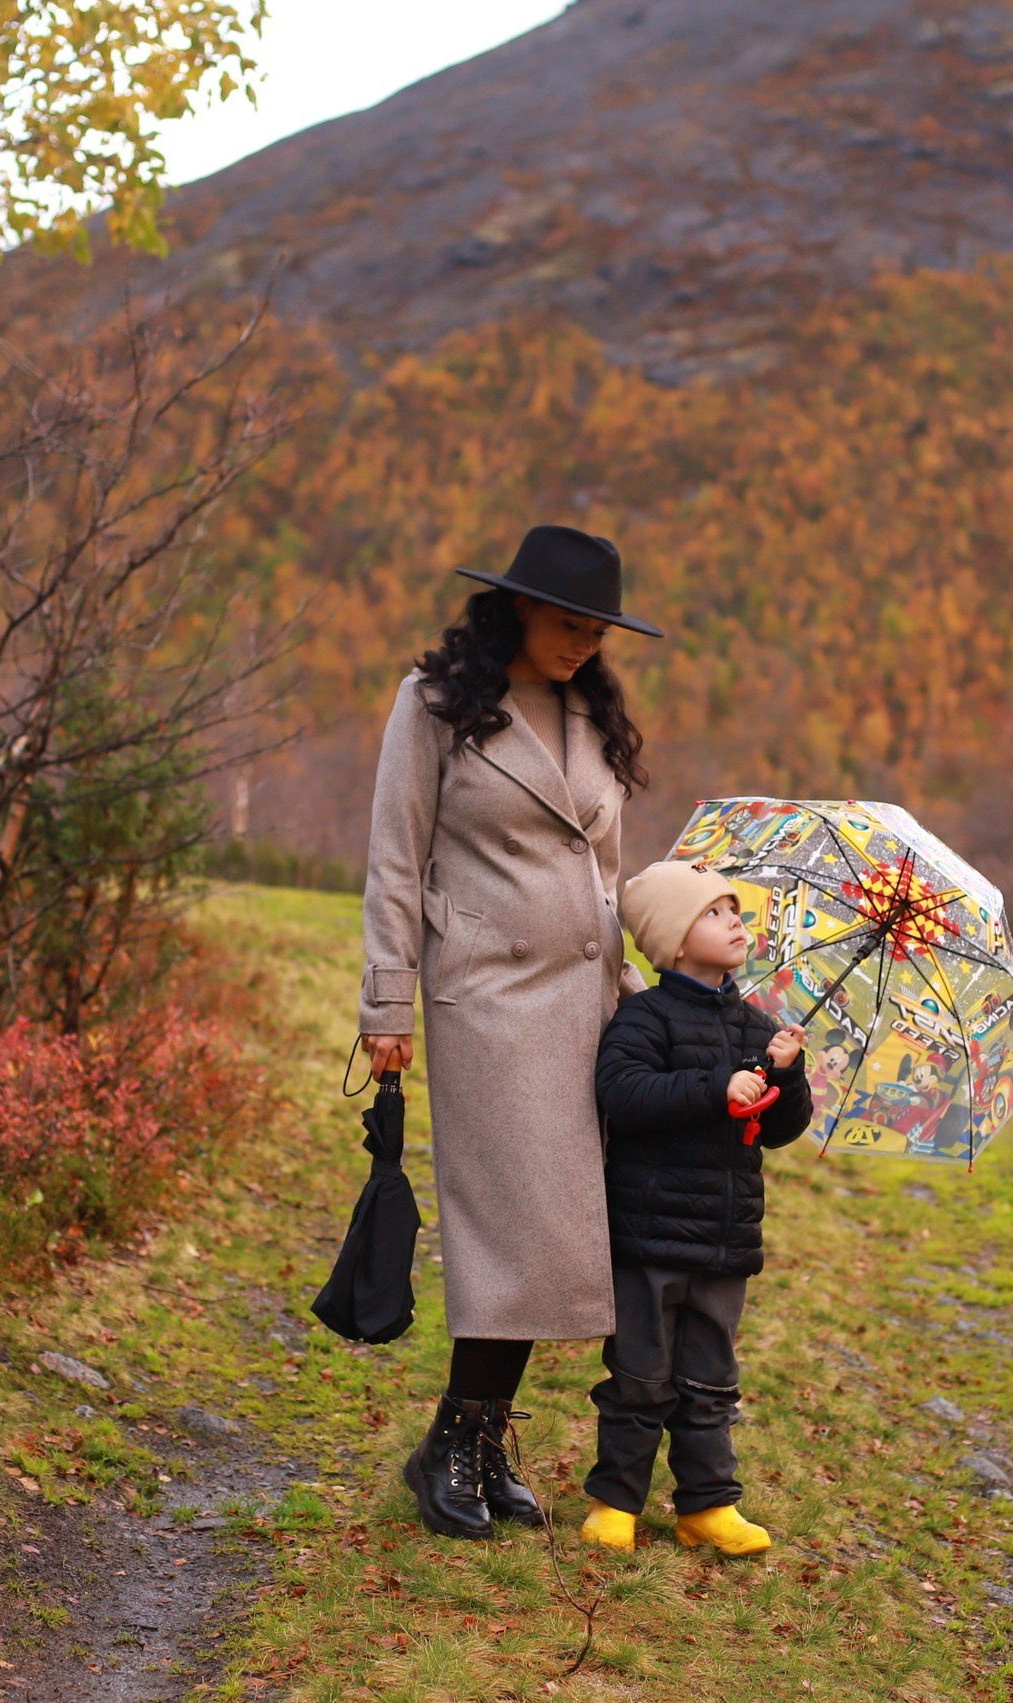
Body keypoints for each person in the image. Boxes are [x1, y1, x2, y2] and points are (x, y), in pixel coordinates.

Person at [357, 524, 662, 1541]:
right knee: (512, 1224)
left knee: (554, 1231)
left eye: (597, 632)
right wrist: (386, 1003)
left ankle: (479, 1437)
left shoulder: (591, 713)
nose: (584, 644)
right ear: (518, 606)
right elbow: (394, 858)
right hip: (485, 998)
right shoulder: (435, 703)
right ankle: (453, 1439)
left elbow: (604, 874)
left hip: (587, 1005)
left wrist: (646, 984)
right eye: (570, 623)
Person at [579, 860, 813, 1557]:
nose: (736, 922)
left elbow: (778, 1129)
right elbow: (624, 1093)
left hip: (723, 1238)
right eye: (715, 913)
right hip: (649, 1236)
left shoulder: (755, 1025)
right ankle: (615, 1501)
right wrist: (716, 1086)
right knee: (639, 1376)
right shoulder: (643, 1017)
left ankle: (707, 1505)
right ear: (675, 940)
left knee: (711, 1380)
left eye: (734, 910)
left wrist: (786, 1073)